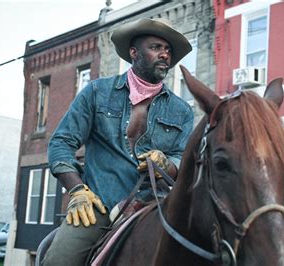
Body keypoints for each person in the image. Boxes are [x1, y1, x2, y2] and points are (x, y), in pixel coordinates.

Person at [43, 18, 194, 265]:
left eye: (168, 50)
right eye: (156, 47)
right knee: (57, 261)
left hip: (154, 209)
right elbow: (61, 143)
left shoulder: (182, 111)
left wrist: (166, 164)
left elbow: (182, 159)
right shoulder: (96, 92)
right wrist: (77, 189)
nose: (165, 55)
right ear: (134, 53)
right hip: (98, 207)